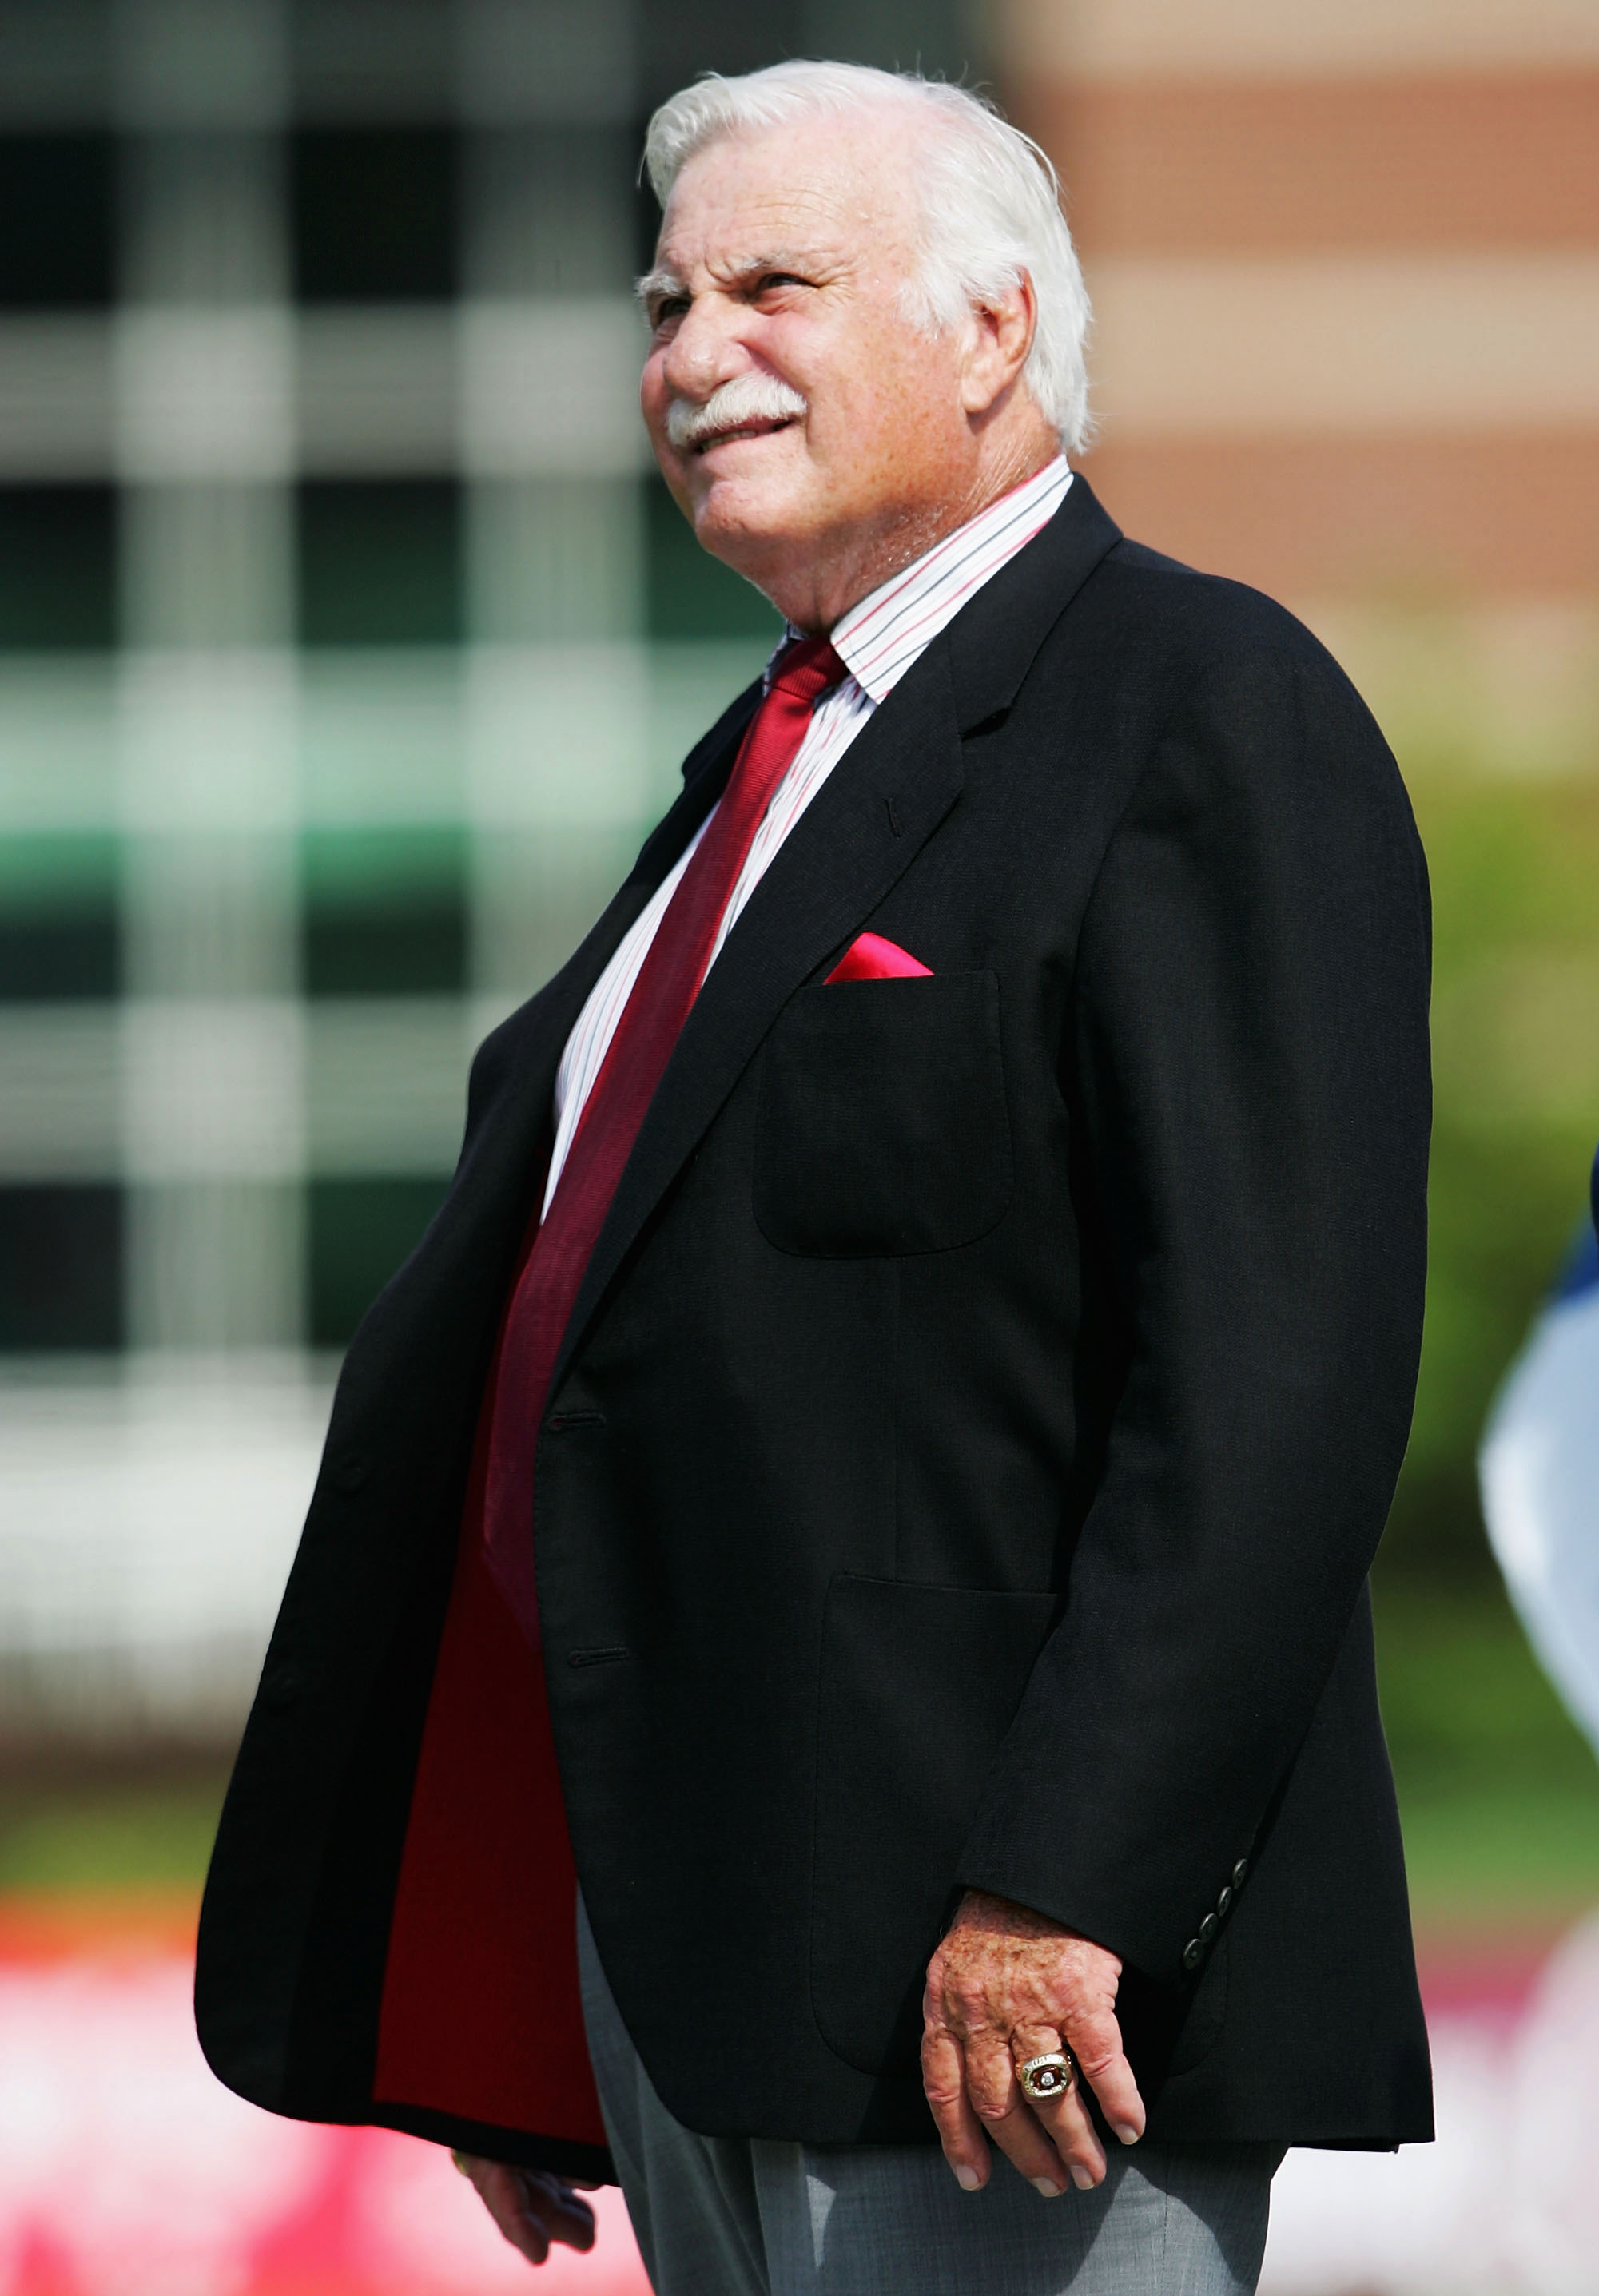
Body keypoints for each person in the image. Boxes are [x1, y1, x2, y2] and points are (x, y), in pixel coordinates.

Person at [195, 62, 1434, 2296]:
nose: (686, 355)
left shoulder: (1192, 706)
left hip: (1004, 2004)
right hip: (698, 1975)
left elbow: (1272, 1378)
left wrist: (1065, 1886)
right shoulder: (761, 765)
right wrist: (496, 1965)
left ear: (989, 333)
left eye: (772, 283)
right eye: (665, 300)